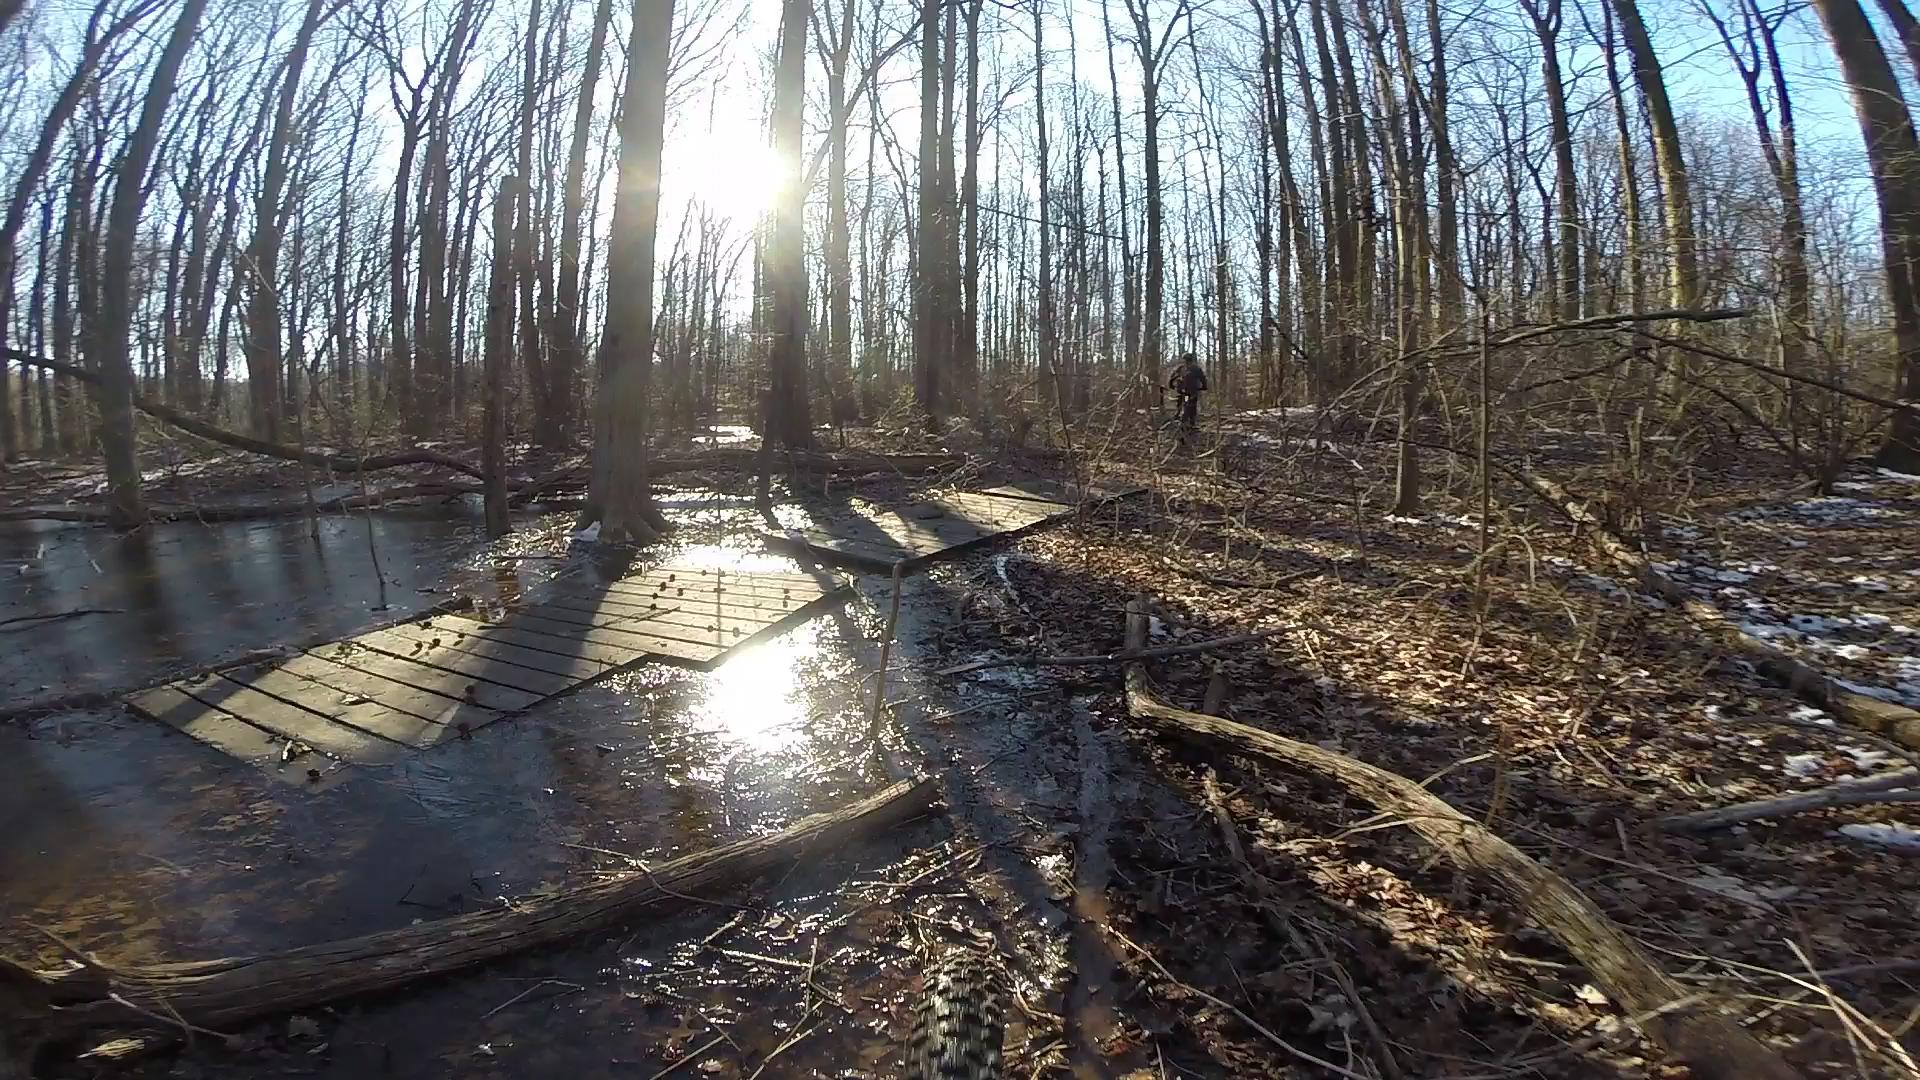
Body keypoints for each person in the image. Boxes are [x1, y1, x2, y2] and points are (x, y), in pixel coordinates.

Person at [1167, 354, 1209, 432]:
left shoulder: (1181, 368)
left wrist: (1171, 385)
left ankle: (1183, 420)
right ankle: (1188, 422)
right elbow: (1203, 378)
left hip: (1184, 392)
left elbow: (1172, 377)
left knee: (1186, 404)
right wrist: (1204, 387)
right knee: (1189, 405)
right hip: (1189, 392)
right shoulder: (1195, 368)